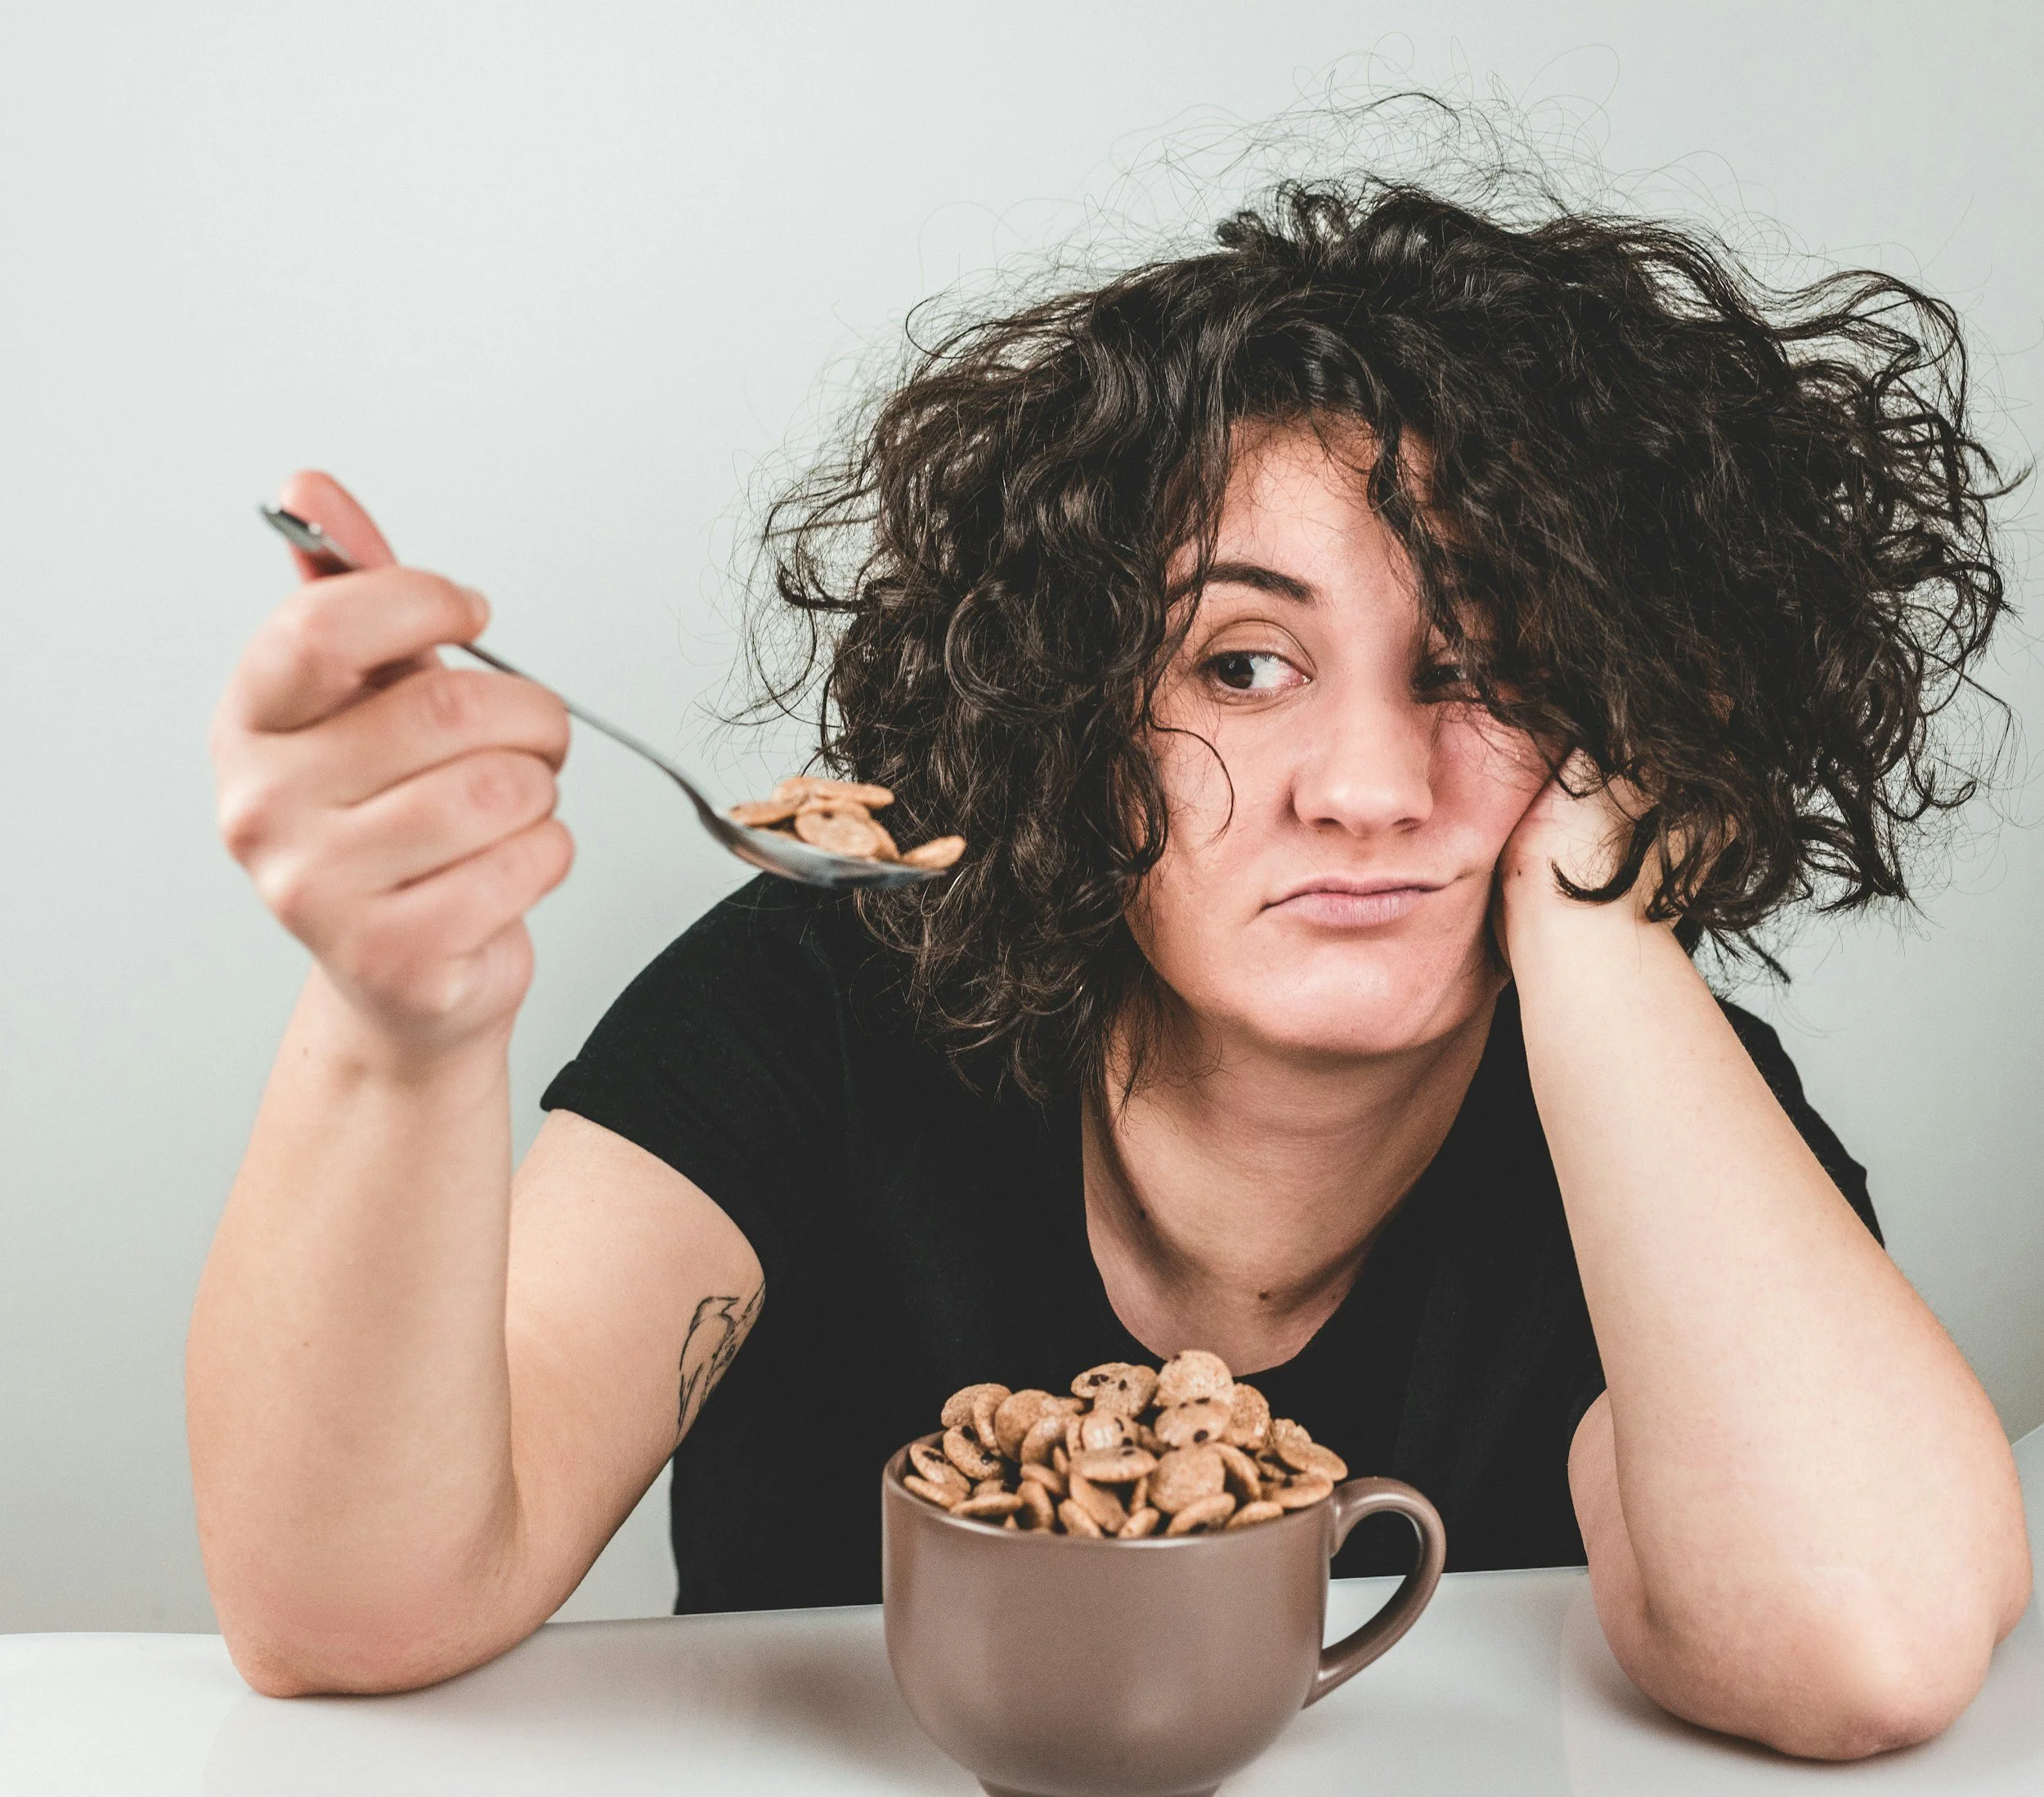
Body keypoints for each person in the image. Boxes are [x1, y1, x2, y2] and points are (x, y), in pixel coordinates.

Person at [190, 177, 2031, 1758]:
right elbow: (347, 1610)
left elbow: (1854, 1643)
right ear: (1074, 714)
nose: (1370, 790)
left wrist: (1601, 901)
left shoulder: (1654, 1114)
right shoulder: (816, 1001)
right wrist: (394, 1025)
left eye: (1482, 665)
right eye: (1240, 664)